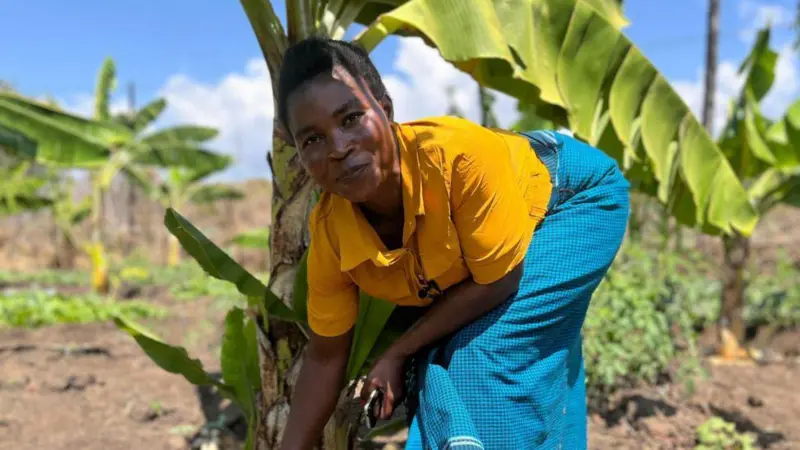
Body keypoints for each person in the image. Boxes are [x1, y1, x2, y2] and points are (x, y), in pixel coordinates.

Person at [277, 36, 630, 450]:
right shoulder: (332, 232)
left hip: (572, 201)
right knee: (492, 355)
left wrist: (398, 352)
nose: (338, 147)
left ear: (384, 109)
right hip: (499, 249)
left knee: (482, 359)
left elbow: (499, 280)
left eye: (351, 118)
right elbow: (325, 357)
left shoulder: (458, 159)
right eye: (312, 140)